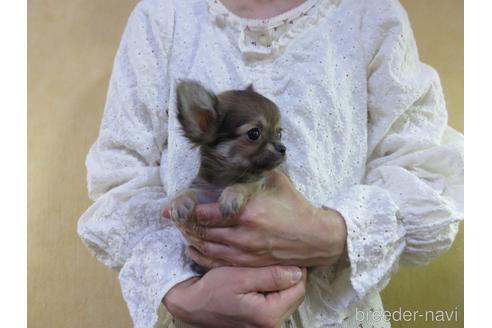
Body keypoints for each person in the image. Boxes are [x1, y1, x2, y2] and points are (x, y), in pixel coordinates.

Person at [77, 0, 464, 327]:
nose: (277, 149)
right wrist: (178, 290)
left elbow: (425, 166)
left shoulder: (370, 13)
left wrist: (334, 233)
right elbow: (119, 178)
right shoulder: (165, 16)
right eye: (256, 135)